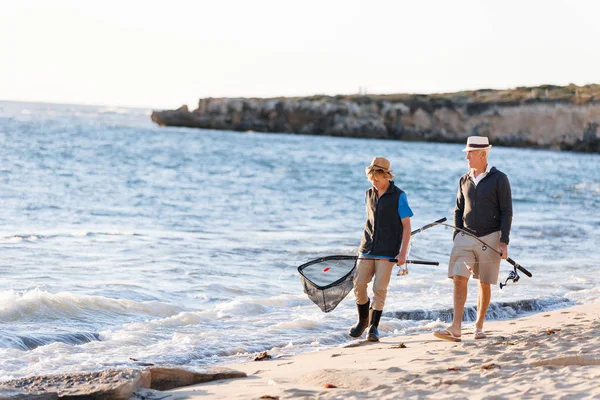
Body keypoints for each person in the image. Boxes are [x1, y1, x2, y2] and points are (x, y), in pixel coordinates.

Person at [434, 136, 512, 342]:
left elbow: (507, 211)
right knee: (460, 278)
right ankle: (456, 327)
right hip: (465, 237)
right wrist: (457, 235)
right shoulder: (464, 179)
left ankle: (478, 326)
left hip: (491, 237)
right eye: (467, 153)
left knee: (484, 283)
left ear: (482, 154)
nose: (467, 156)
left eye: (470, 153)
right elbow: (458, 209)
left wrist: (504, 242)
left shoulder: (499, 179)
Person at [349, 157, 413, 342]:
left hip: (388, 250)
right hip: (367, 247)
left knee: (379, 289)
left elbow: (407, 227)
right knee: (359, 284)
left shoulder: (399, 196)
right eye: (371, 176)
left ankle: (373, 327)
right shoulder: (369, 194)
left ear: (386, 175)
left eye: (377, 176)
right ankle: (363, 321)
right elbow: (370, 221)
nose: (374, 180)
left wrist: (403, 253)